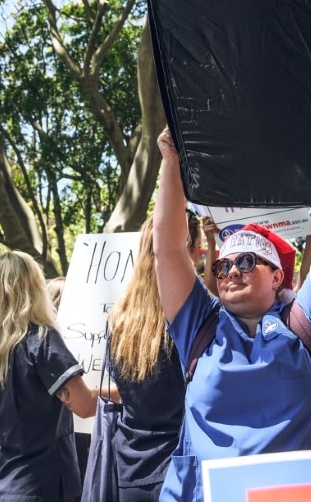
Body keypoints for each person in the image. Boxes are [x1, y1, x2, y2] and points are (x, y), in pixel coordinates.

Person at [153, 123, 311, 502]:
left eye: (245, 261)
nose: (231, 272)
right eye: (222, 267)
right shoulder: (199, 325)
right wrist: (172, 162)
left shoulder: (308, 322)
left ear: (277, 277)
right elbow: (168, 249)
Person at [0, 251, 97, 501]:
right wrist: (122, 392)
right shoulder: (42, 340)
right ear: (35, 286)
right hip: (43, 483)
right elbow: (85, 406)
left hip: (6, 480)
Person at [86, 215, 185, 502]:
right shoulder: (185, 318)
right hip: (178, 466)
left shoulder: (120, 319)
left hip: (129, 465)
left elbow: (122, 387)